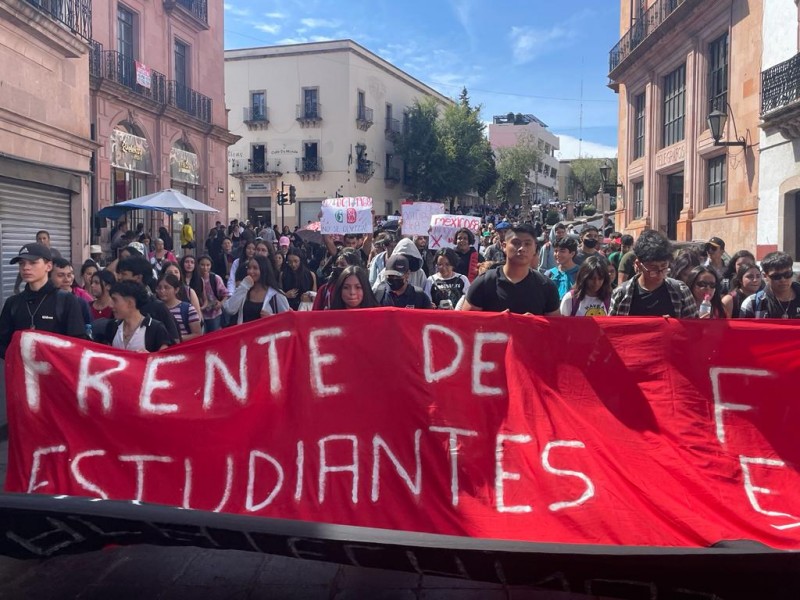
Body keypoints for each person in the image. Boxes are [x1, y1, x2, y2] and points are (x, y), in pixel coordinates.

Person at [0, 243, 85, 360]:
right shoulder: (12, 303)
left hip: (55, 374)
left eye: (33, 263)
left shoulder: (66, 300)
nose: (26, 267)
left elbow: (77, 344)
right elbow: (3, 344)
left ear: (48, 266)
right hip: (23, 375)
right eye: (22, 263)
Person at [461, 224, 560, 315]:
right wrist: (495, 321)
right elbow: (466, 323)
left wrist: (535, 322)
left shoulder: (547, 286)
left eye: (527, 244)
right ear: (504, 246)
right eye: (516, 243)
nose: (522, 248)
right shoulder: (484, 283)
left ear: (535, 249)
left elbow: (555, 329)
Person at [609, 230, 698, 318]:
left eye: (664, 266)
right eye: (653, 268)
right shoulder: (621, 294)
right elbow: (611, 328)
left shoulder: (681, 292)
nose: (659, 273)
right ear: (638, 264)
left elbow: (693, 328)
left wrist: (674, 325)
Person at [116, 256, 181, 344]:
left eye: (124, 274)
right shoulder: (118, 306)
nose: (119, 278)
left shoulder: (157, 307)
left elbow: (174, 341)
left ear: (138, 277)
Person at [107, 280, 171, 352]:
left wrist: (150, 357)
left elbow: (165, 360)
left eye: (115, 300)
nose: (110, 305)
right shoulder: (112, 326)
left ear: (130, 303)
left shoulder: (156, 329)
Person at [223, 255, 289, 323]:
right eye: (249, 268)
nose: (251, 271)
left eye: (255, 268)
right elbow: (229, 309)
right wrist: (243, 287)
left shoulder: (276, 294)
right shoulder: (245, 290)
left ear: (263, 270)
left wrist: (271, 317)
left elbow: (287, 319)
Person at [740, 251, 800, 319]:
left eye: (787, 274)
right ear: (765, 276)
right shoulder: (752, 304)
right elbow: (744, 329)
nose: (783, 280)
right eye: (776, 276)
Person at [156, 274, 202, 341]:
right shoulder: (155, 309)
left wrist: (176, 339)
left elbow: (197, 334)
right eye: (159, 288)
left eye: (166, 288)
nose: (162, 291)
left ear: (176, 289)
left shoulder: (188, 309)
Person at [197, 255, 228, 332]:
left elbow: (226, 294)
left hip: (214, 314)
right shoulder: (195, 279)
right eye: (202, 265)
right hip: (199, 314)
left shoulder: (215, 278)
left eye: (208, 265)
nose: (205, 268)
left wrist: (220, 303)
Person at [179, 255, 205, 326]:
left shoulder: (200, 280)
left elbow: (204, 299)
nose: (189, 264)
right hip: (181, 313)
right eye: (187, 262)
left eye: (192, 262)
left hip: (196, 312)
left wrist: (200, 307)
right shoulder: (178, 280)